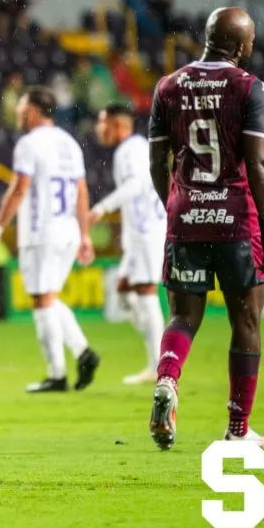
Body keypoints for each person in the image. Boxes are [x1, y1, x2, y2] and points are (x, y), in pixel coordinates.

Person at [147, 7, 264, 450]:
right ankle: (237, 429)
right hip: (236, 220)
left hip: (185, 215)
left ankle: (167, 379)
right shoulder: (249, 87)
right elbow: (258, 164)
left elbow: (157, 161)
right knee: (246, 320)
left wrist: (175, 205)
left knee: (183, 316)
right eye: (251, 40)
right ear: (240, 46)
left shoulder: (168, 86)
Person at [0, 87, 101, 393]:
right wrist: (85, 234)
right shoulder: (69, 143)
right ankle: (83, 352)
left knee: (42, 300)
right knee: (48, 298)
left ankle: (57, 374)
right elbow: (82, 192)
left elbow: (19, 189)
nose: (18, 111)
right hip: (68, 231)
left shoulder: (29, 143)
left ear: (34, 110)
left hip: (42, 231)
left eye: (22, 106)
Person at [90, 104, 167, 384]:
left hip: (148, 232)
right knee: (123, 293)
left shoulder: (131, 149)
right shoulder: (134, 148)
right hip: (140, 235)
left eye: (103, 122)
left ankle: (160, 366)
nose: (99, 128)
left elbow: (135, 186)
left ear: (118, 124)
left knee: (145, 292)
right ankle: (155, 352)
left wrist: (101, 208)